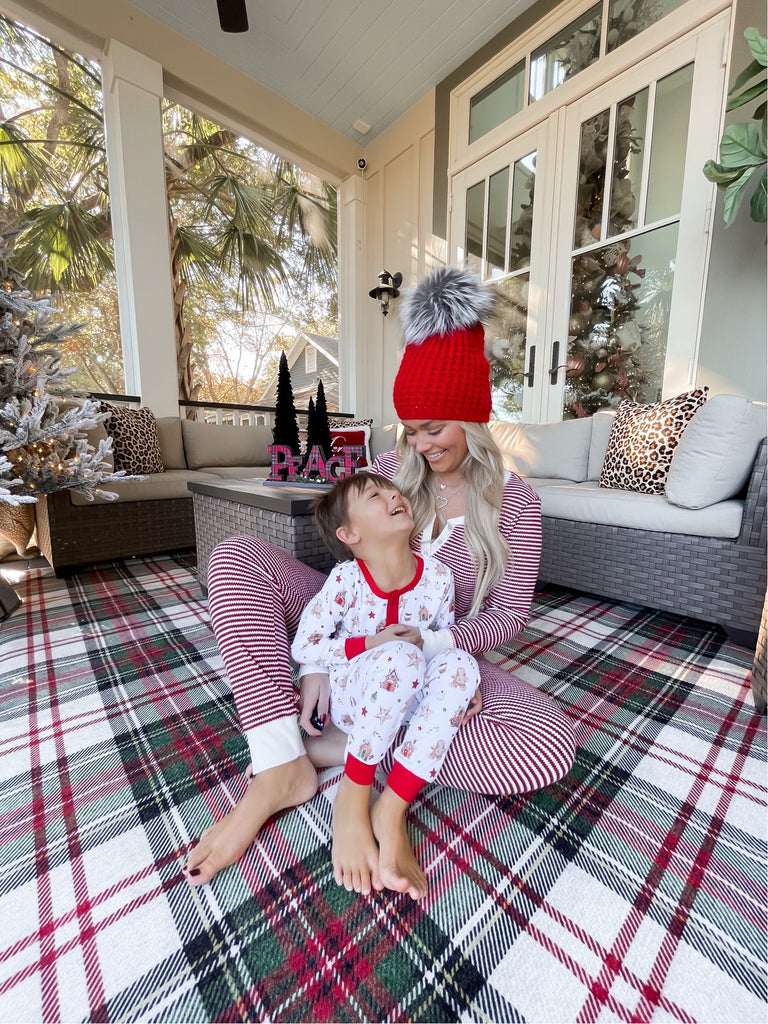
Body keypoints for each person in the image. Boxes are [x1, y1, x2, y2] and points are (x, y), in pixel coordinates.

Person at [184, 265, 576, 889]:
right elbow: (349, 549)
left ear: (474, 420)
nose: (420, 445)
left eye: (435, 428)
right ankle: (279, 763)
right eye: (410, 430)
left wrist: (437, 649)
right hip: (356, 625)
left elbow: (509, 616)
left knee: (545, 744)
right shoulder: (391, 469)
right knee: (234, 556)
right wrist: (316, 663)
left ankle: (341, 751)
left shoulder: (515, 501)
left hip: (440, 648)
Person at [290, 471, 480, 898]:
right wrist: (371, 644)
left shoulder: (439, 577)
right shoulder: (346, 579)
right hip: (353, 696)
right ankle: (354, 795)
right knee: (400, 656)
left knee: (462, 663)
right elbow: (306, 644)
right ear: (350, 534)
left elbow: (441, 641)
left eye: (392, 490)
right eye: (376, 495)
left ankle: (392, 807)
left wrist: (464, 682)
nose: (394, 495)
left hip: (409, 699)